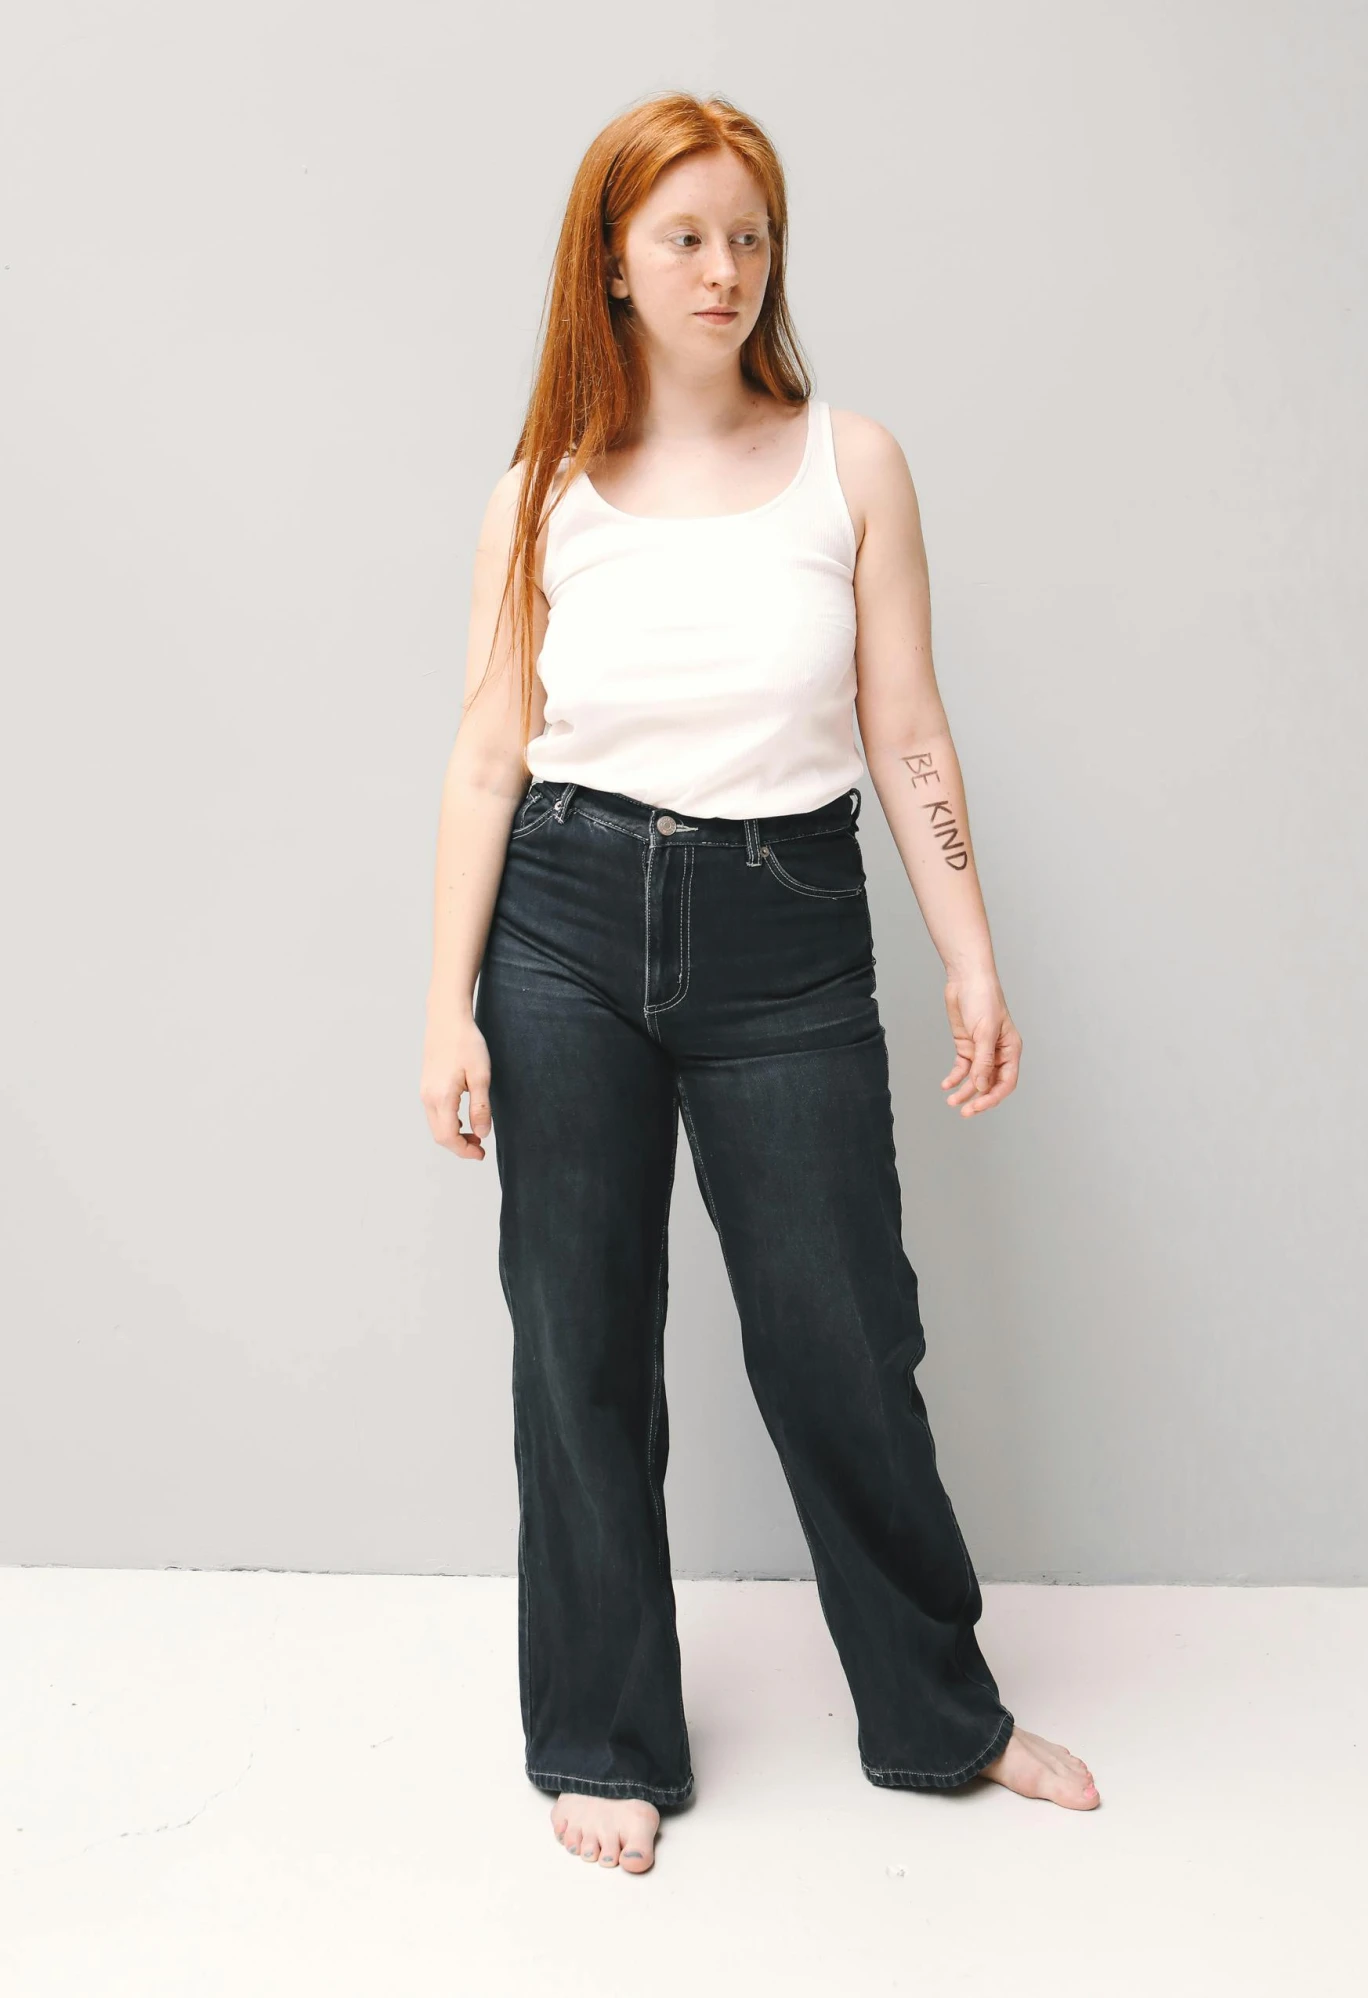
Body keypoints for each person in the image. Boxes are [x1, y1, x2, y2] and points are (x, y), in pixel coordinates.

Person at [420, 93, 1099, 1874]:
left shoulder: (849, 462)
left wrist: (969, 954)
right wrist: (442, 1009)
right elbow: (488, 755)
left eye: (750, 235)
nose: (724, 269)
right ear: (614, 265)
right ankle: (602, 1737)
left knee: (838, 1333)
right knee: (579, 1343)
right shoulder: (537, 491)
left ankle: (937, 1713)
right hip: (560, 923)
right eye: (686, 238)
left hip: (784, 919)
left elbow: (906, 727)